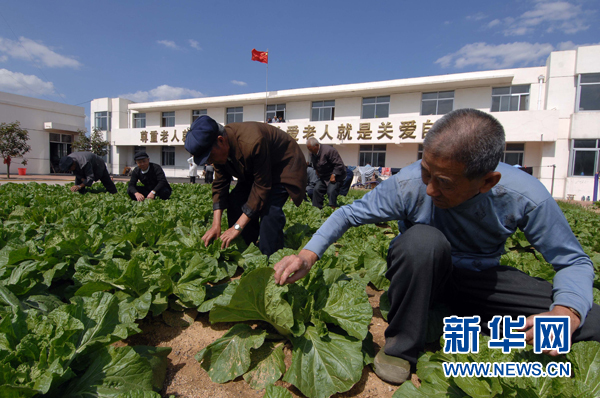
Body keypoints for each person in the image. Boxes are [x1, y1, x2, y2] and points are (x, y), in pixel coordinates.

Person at [273, 108, 600, 384]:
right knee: (421, 241)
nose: (428, 189)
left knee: (591, 319)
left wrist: (566, 311)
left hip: (482, 280)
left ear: (487, 181)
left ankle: (465, 321)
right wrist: (307, 254)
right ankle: (401, 347)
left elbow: (572, 261)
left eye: (443, 182)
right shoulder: (408, 184)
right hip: (424, 276)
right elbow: (347, 214)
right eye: (426, 172)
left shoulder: (526, 196)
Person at [185, 115, 307, 256]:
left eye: (210, 157)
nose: (210, 162)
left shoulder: (252, 142)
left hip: (283, 167)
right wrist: (215, 224)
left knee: (269, 209)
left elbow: (262, 187)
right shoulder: (220, 151)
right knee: (236, 200)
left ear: (220, 140)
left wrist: (237, 227)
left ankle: (270, 259)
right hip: (256, 170)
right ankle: (246, 249)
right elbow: (219, 185)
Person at [306, 137, 346, 209]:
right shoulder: (312, 154)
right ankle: (317, 209)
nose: (310, 151)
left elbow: (339, 164)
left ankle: (332, 209)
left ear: (316, 145)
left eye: (311, 149)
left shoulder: (329, 151)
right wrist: (317, 171)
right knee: (316, 189)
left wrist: (334, 174)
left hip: (335, 176)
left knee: (331, 191)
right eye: (309, 149)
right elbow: (315, 164)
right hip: (324, 177)